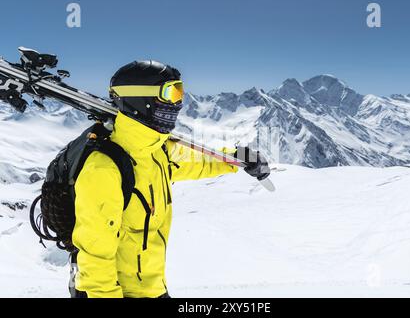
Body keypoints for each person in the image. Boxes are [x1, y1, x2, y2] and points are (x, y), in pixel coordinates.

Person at [70, 60, 270, 298]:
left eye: (180, 91)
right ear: (139, 100)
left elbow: (197, 161)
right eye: (171, 93)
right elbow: (94, 256)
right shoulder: (104, 168)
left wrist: (236, 158)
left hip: (152, 289)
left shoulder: (157, 151)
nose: (179, 102)